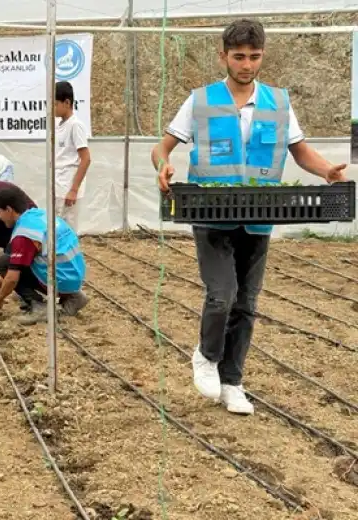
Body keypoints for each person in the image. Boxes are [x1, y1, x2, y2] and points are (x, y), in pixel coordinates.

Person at [151, 19, 350, 416]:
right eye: (238, 56)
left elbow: (299, 151)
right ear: (223, 55)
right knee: (222, 294)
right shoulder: (201, 100)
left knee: (247, 302)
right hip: (211, 214)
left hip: (259, 214)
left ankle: (233, 382)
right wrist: (163, 166)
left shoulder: (278, 102)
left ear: (262, 57)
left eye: (254, 57)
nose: (246, 65)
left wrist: (326, 170)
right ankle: (207, 356)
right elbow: (162, 148)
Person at [0, 187, 88, 325]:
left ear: (9, 210)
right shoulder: (38, 215)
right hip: (74, 275)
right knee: (12, 262)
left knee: (4, 263)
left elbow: (11, 279)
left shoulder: (24, 233)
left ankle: (39, 307)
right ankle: (74, 296)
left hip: (60, 280)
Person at [53, 81, 91, 231]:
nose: (53, 108)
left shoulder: (75, 126)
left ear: (67, 102)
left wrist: (73, 190)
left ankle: (69, 255)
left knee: (67, 230)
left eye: (55, 104)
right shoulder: (59, 125)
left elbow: (86, 158)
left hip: (67, 187)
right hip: (58, 185)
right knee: (57, 228)